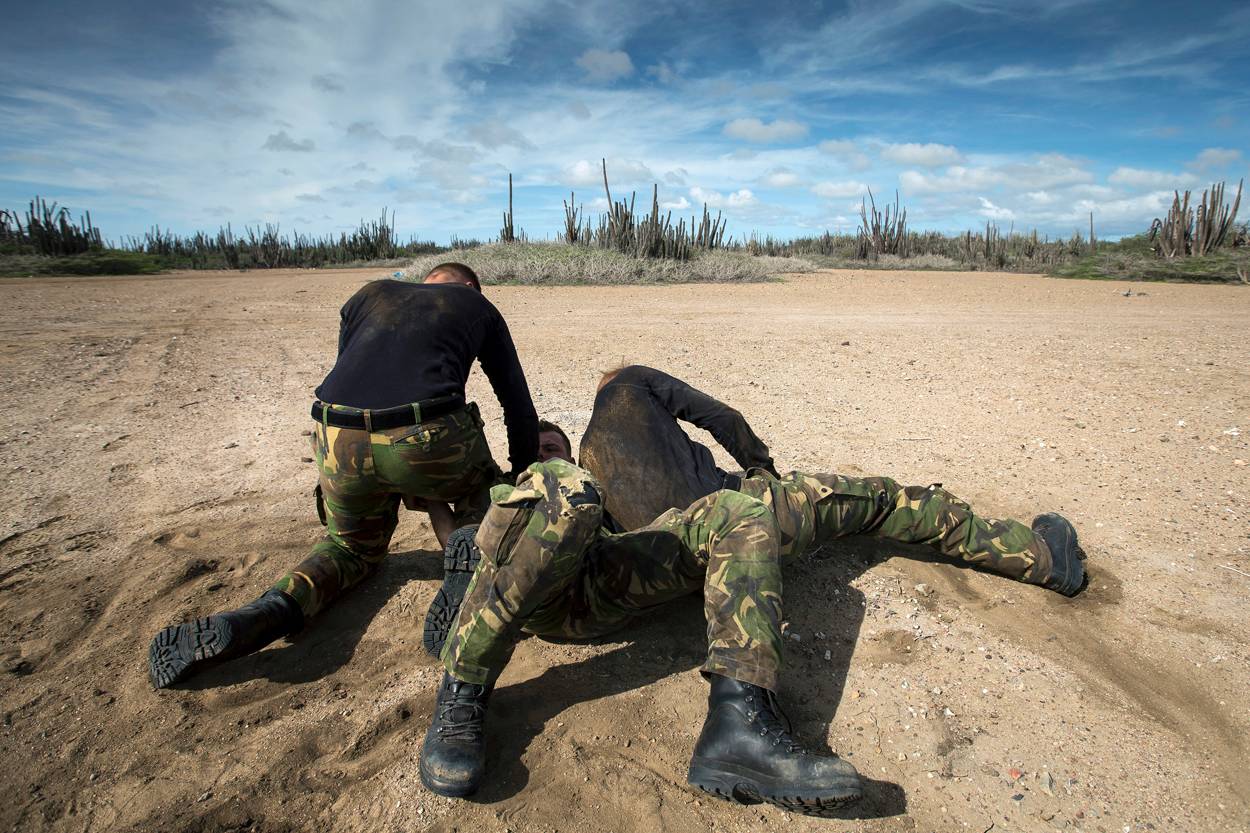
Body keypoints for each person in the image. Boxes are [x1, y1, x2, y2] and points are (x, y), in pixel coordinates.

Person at [416, 457, 1085, 811]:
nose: (551, 446)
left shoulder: (627, 499)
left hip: (611, 575)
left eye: (555, 440)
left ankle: (738, 725)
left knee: (742, 511)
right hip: (522, 569)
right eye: (541, 441)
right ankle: (463, 686)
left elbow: (869, 502)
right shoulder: (538, 489)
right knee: (563, 490)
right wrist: (479, 533)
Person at [148, 262, 539, 689]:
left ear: (426, 281)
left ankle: (270, 610)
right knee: (483, 500)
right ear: (469, 286)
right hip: (425, 435)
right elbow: (517, 405)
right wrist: (520, 481)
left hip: (336, 433)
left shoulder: (369, 294)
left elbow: (354, 381)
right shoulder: (475, 303)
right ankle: (472, 550)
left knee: (349, 548)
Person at [577, 365, 779, 531]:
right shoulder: (632, 379)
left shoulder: (584, 454)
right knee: (798, 493)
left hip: (660, 559)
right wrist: (766, 473)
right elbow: (725, 418)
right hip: (721, 515)